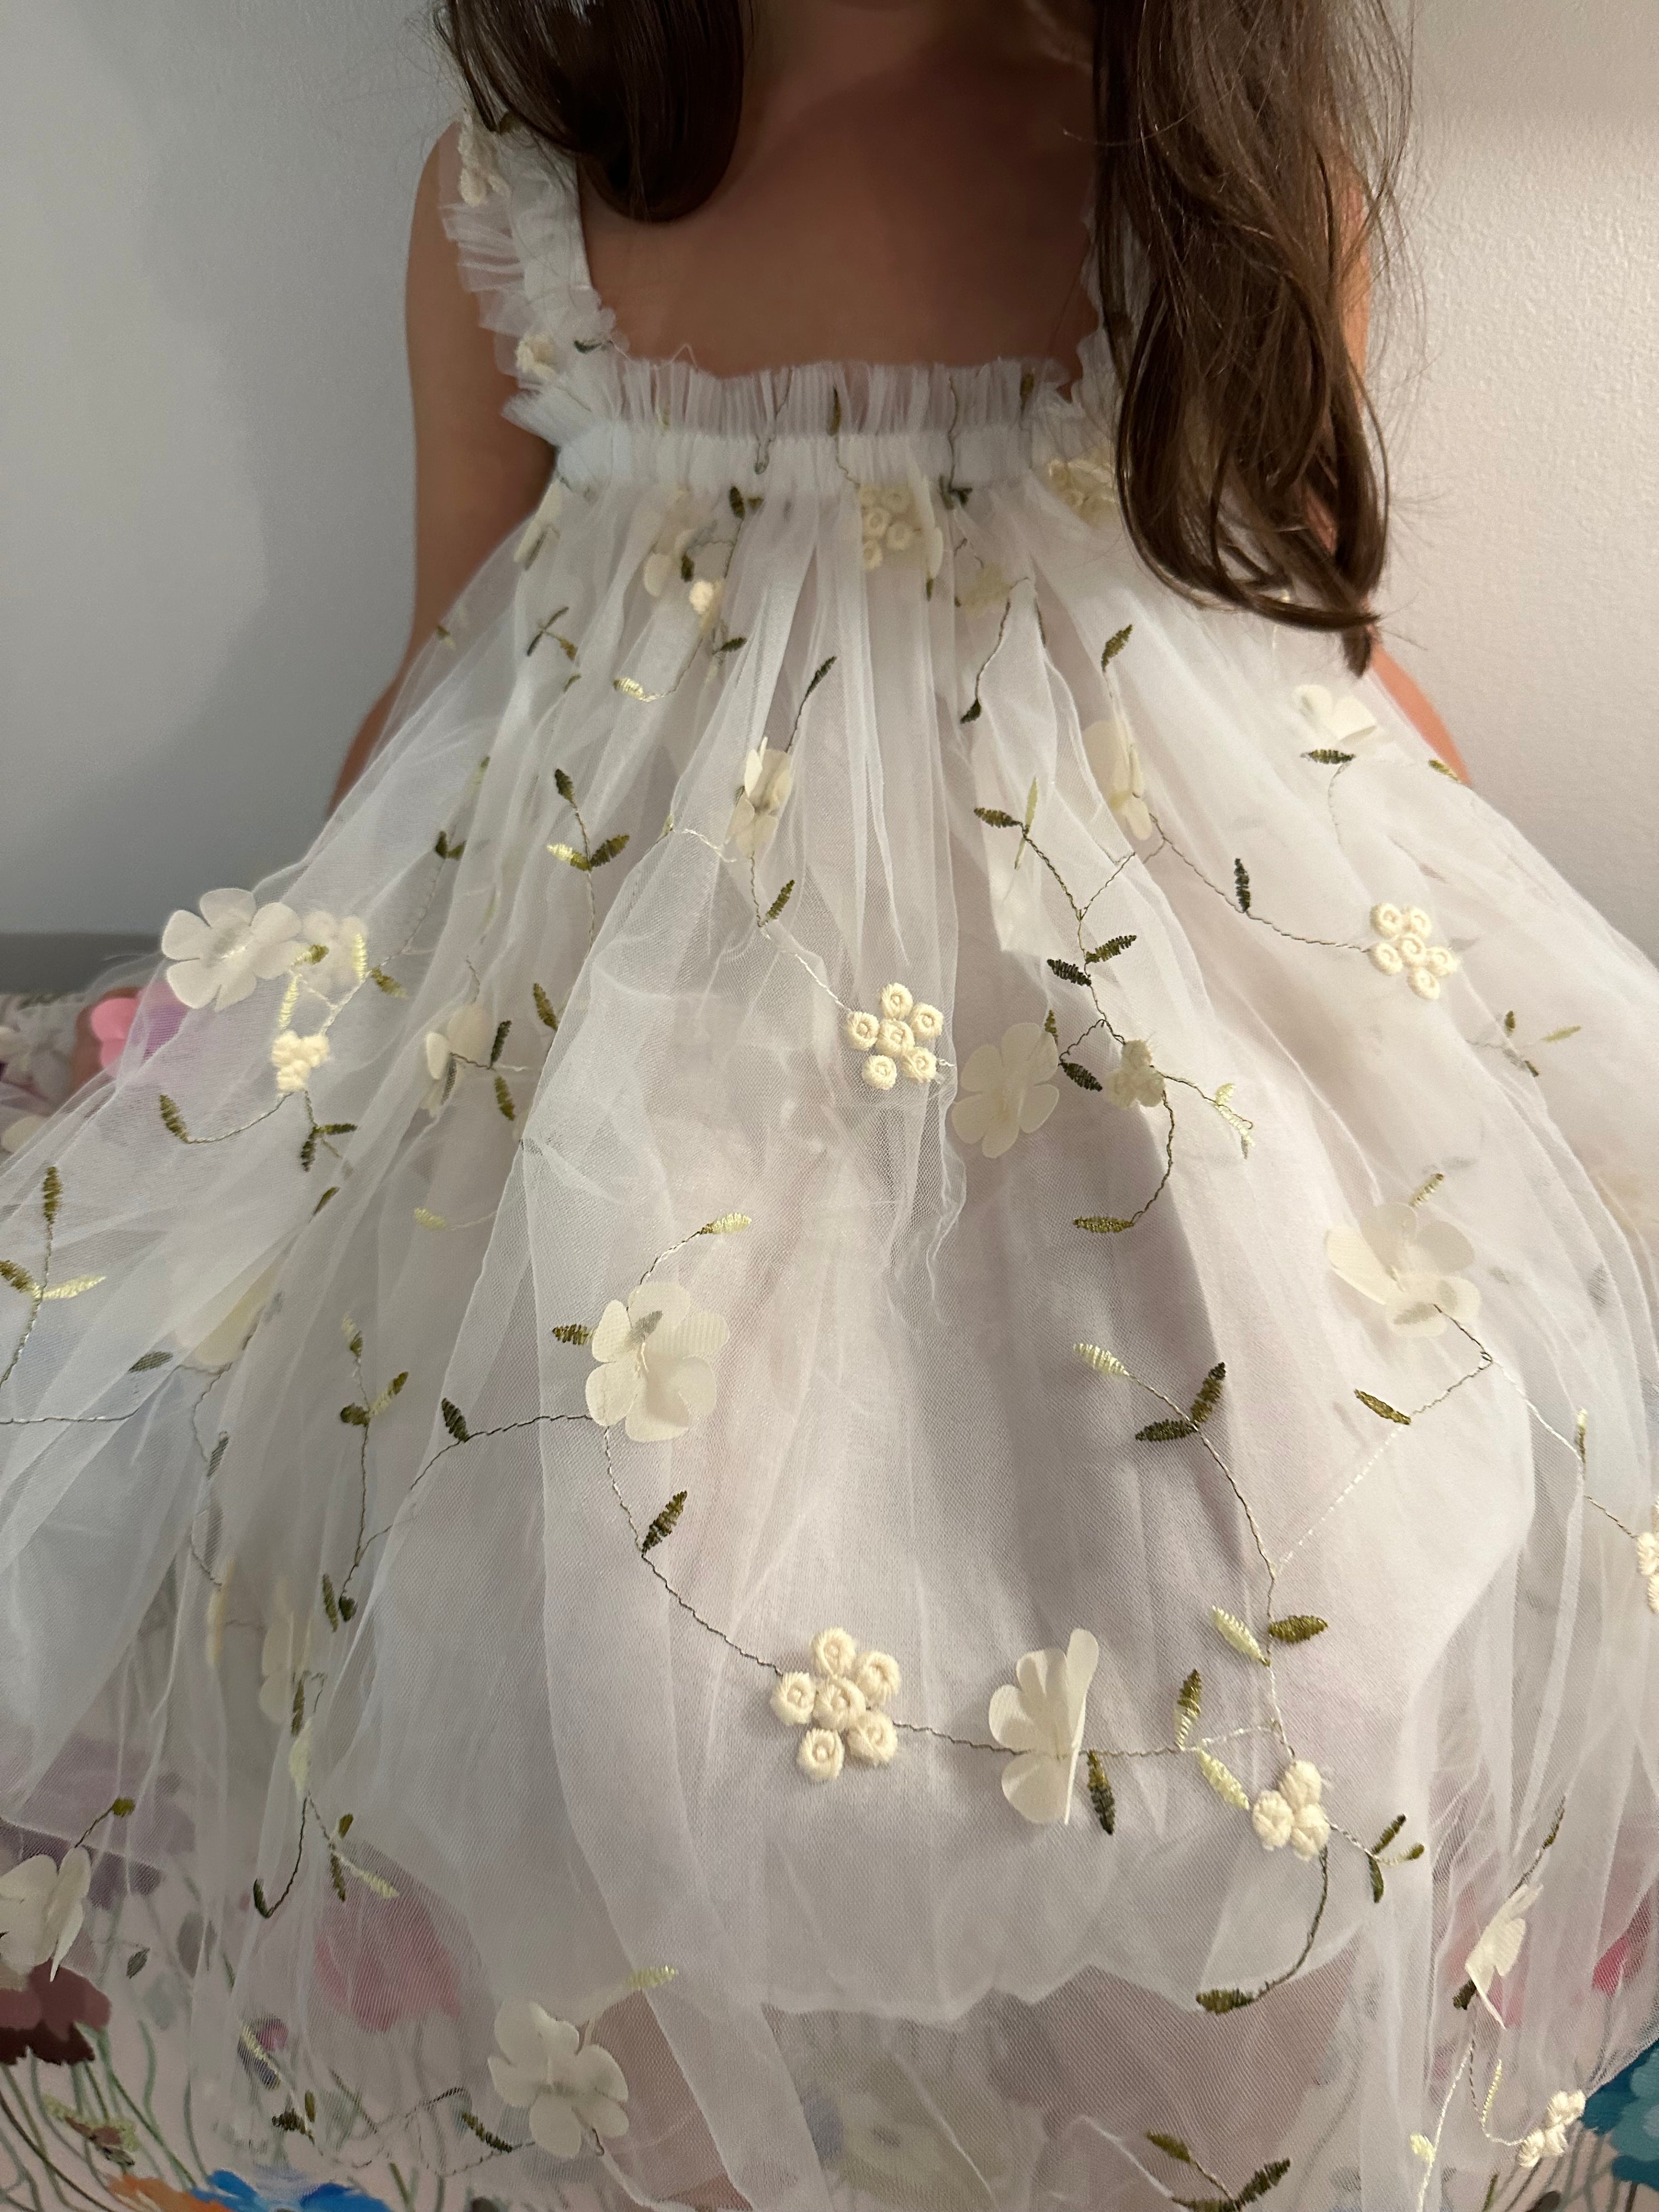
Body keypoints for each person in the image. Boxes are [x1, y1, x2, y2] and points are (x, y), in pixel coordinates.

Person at [2, 3, 1655, 2209]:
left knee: (1289, 1596)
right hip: (646, 1026)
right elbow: (454, 657)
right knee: (566, 1613)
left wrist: (1494, 1023)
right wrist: (311, 1004)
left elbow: (1312, 635)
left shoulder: (1213, 187)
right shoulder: (529, 195)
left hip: (1131, 1004)